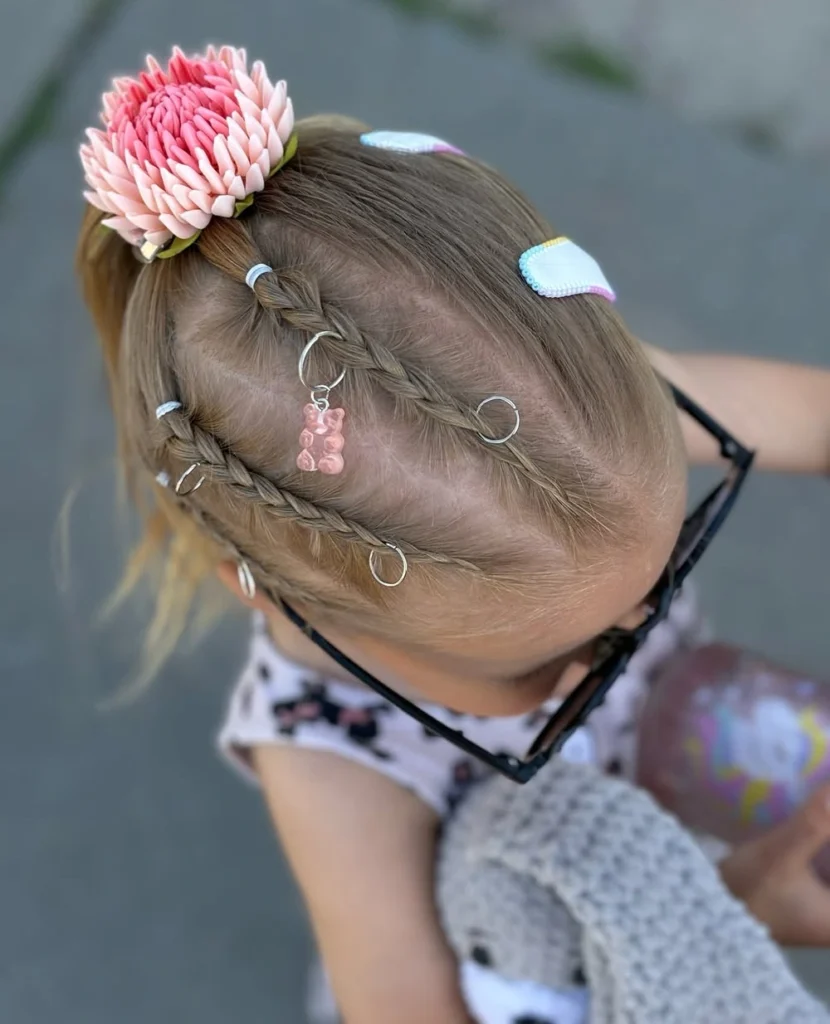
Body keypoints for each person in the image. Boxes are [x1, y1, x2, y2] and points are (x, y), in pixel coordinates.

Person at [77, 45, 830, 1023]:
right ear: (272, 588)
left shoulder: (583, 427)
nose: (638, 634)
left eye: (661, 575)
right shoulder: (332, 766)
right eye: (553, 658)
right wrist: (725, 912)